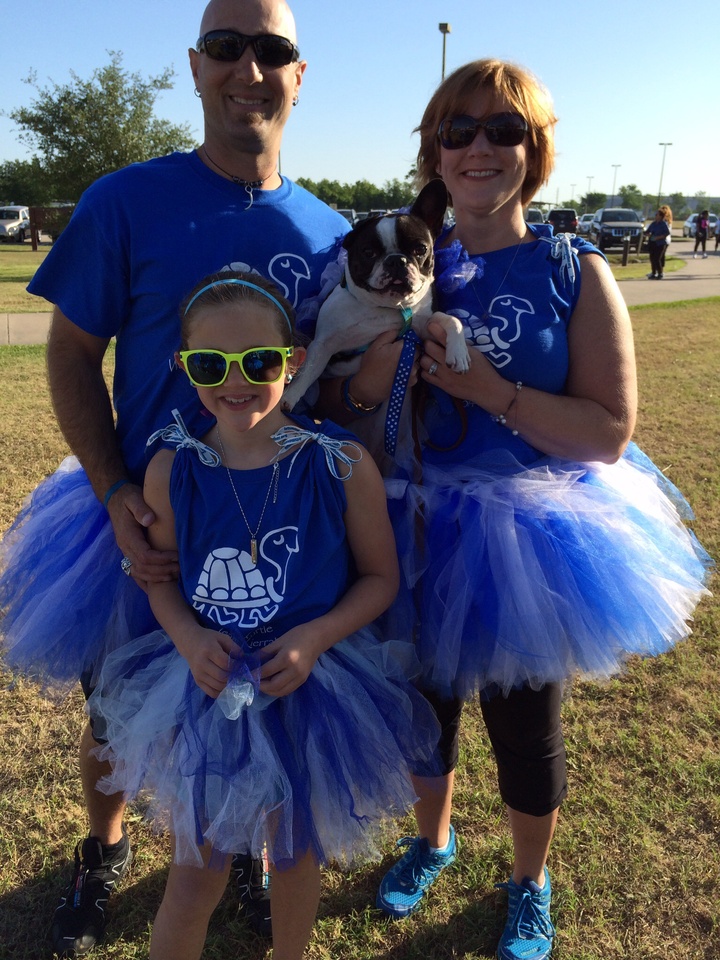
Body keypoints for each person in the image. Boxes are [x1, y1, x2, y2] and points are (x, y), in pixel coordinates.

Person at [314, 60, 711, 960]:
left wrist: (491, 392)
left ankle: (529, 882)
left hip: (531, 535)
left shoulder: (577, 270)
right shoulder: (408, 262)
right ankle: (434, 841)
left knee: (527, 727)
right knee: (425, 711)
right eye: (459, 132)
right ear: (436, 155)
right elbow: (346, 413)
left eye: (504, 130)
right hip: (413, 521)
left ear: (534, 152)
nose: (480, 146)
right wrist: (369, 382)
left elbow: (609, 431)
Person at [0, 0, 348, 953]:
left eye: (271, 49)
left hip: (274, 525)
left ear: (299, 73)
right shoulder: (125, 200)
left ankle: (237, 856)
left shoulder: (331, 230)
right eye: (227, 48)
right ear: (196, 67)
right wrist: (115, 491)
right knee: (118, 713)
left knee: (258, 706)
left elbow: (338, 382)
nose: (249, 69)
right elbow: (71, 355)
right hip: (143, 519)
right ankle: (103, 847)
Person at [85, 271, 438, 960]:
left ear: (295, 362)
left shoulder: (338, 465)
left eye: (260, 362)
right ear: (185, 367)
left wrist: (315, 635)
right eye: (211, 364)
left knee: (294, 857)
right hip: (205, 691)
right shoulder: (171, 470)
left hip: (310, 691)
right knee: (193, 873)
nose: (235, 380)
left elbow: (380, 578)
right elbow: (160, 580)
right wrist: (187, 637)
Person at [644, 206, 671, 279]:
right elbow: (647, 231)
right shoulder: (653, 224)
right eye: (655, 214)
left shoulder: (663, 224)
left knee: (657, 258)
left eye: (657, 214)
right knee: (652, 258)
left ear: (661, 216)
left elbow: (667, 233)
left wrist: (659, 237)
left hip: (660, 244)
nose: (655, 215)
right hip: (652, 243)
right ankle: (653, 273)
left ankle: (660, 273)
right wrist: (648, 234)